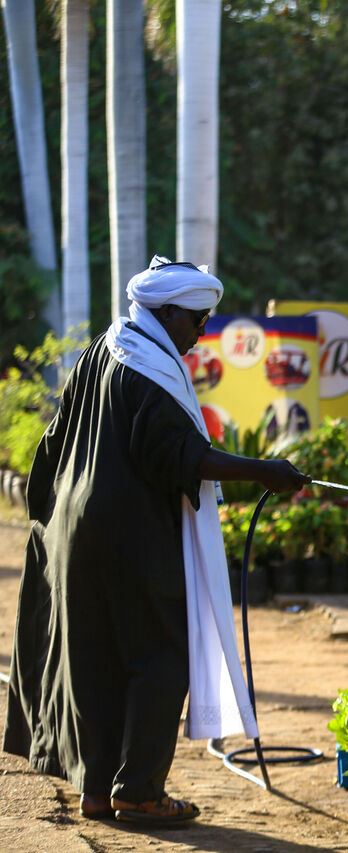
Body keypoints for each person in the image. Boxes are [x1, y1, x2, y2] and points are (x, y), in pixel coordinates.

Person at [3, 257, 310, 825]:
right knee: (163, 655)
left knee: (95, 655)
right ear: (166, 313)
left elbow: (53, 440)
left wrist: (51, 516)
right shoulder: (149, 369)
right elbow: (180, 456)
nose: (201, 333)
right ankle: (139, 791)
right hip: (131, 533)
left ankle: (98, 790)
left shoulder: (105, 348)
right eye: (197, 320)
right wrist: (264, 471)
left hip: (77, 530)